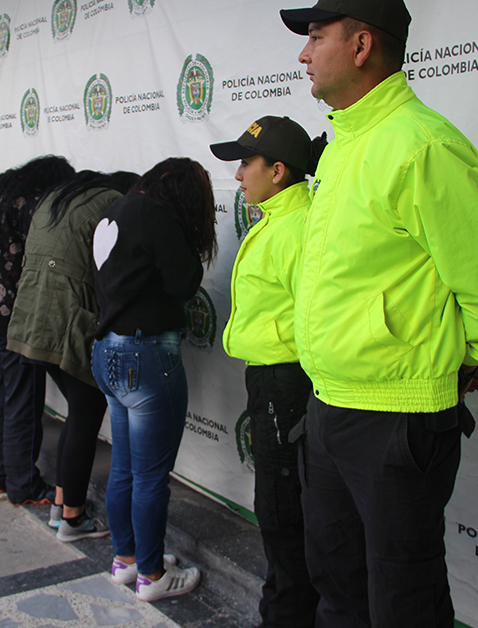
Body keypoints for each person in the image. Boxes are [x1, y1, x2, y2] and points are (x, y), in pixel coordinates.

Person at [280, 0, 478, 626]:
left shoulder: (423, 145)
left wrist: (457, 355)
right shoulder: (341, 148)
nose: (304, 55)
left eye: (315, 36)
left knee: (403, 602)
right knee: (336, 588)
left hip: (394, 420)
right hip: (328, 405)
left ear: (361, 45)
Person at [211, 116, 326, 628]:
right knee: (281, 508)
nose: (238, 175)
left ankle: (287, 616)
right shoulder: (279, 220)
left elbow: (316, 319)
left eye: (245, 163)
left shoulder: (299, 227)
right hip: (271, 377)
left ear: (278, 170)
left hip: (288, 381)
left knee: (283, 511)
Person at [90, 157, 216, 602]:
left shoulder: (119, 208)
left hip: (108, 349)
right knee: (149, 477)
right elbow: (184, 280)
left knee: (125, 469)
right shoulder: (155, 214)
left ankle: (126, 561)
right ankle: (152, 575)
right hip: (146, 356)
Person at [8, 170, 138, 542]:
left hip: (32, 313)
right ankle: (73, 518)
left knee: (77, 413)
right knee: (86, 413)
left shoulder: (69, 195)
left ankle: (61, 506)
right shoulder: (113, 202)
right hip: (64, 314)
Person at [0, 155, 75, 506]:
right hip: (14, 319)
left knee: (0, 396)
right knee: (22, 404)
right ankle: (23, 485)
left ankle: (0, 476)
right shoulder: (29, 205)